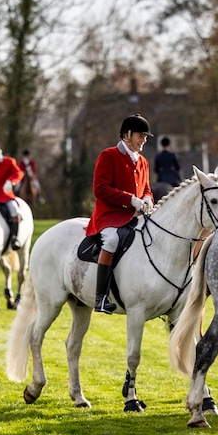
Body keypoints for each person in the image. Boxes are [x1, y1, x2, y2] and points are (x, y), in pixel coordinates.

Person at [86, 114, 153, 314]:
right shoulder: (108, 155)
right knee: (112, 241)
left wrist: (148, 198)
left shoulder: (143, 162)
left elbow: (147, 188)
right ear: (127, 135)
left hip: (137, 217)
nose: (144, 140)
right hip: (110, 217)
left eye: (145, 136)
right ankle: (101, 297)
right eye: (141, 135)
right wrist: (130, 199)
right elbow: (100, 189)